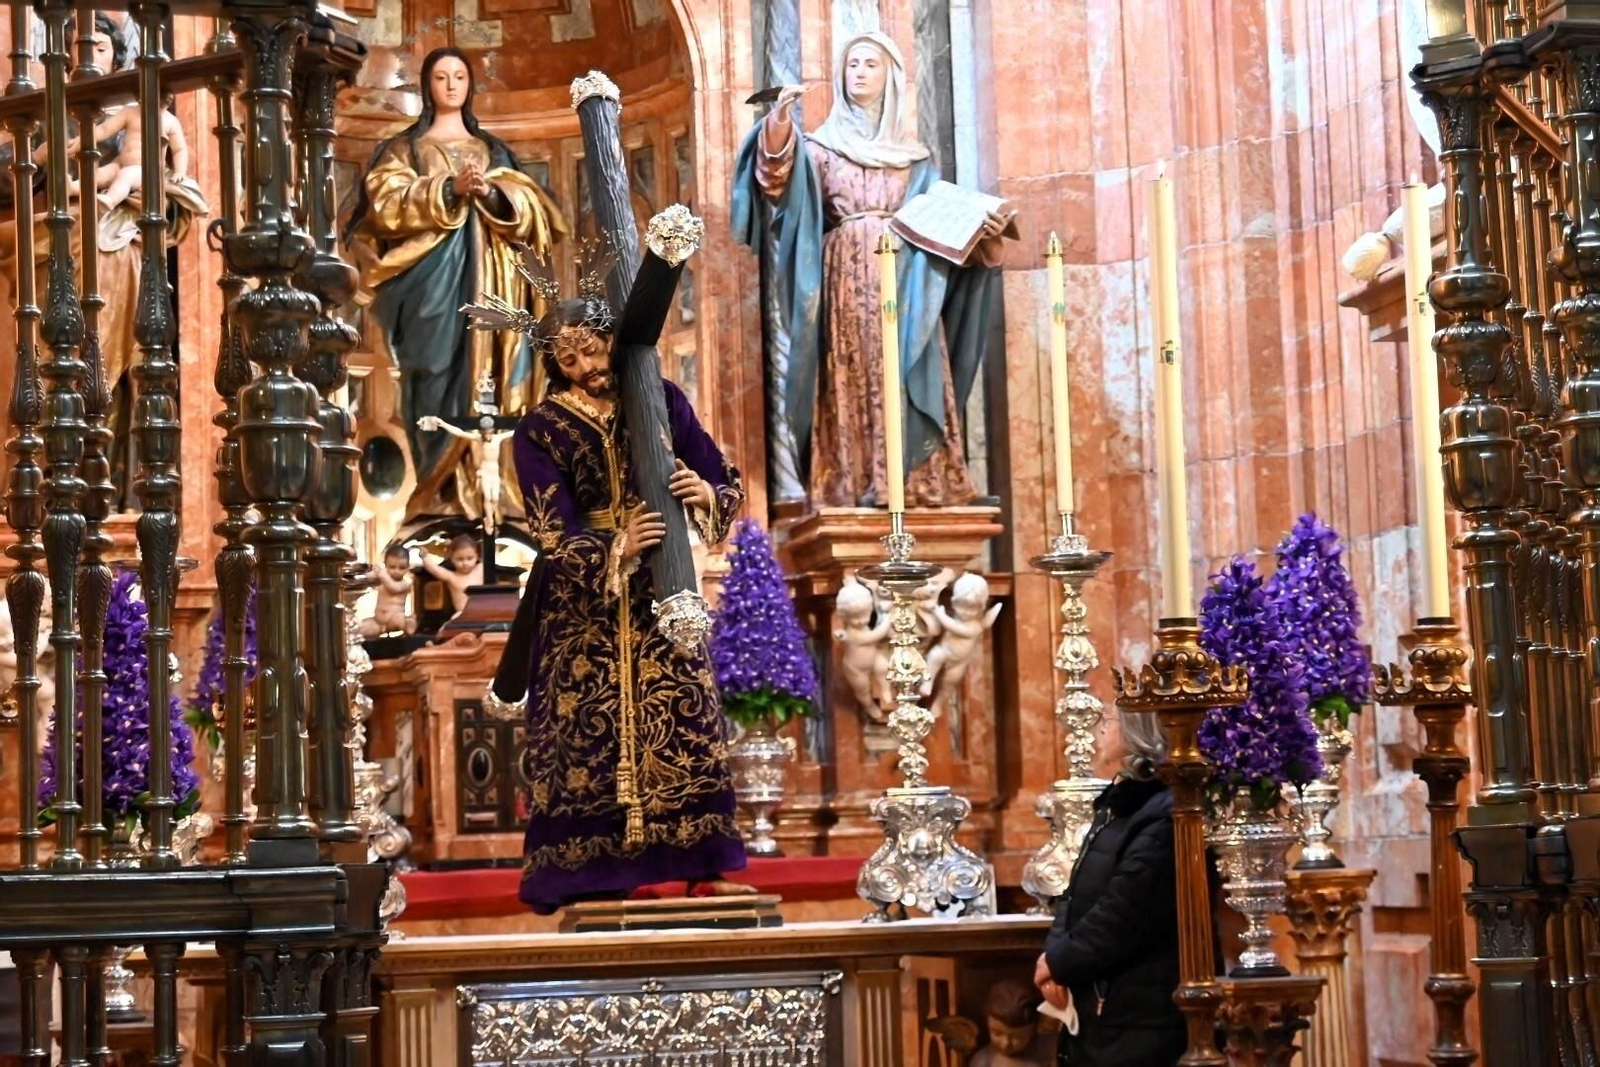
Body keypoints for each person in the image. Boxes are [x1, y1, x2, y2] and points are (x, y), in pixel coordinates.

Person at [503, 294, 751, 914]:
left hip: (662, 586)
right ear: (554, 365)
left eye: (594, 346)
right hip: (581, 605)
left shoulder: (660, 399)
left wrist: (703, 492)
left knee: (687, 717)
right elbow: (551, 528)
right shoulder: (539, 429)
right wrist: (615, 545)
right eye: (570, 356)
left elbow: (720, 475)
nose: (586, 363)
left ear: (614, 340)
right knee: (585, 736)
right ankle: (589, 872)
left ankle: (701, 862)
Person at [733, 31, 1015, 509]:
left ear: (892, 79)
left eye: (870, 65)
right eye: (852, 65)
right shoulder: (820, 147)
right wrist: (779, 120)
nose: (859, 72)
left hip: (910, 282)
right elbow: (776, 184)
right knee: (853, 368)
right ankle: (855, 479)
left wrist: (983, 235)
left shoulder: (916, 159)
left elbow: (939, 228)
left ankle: (919, 483)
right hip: (845, 279)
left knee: (909, 369)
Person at [346, 46, 566, 523]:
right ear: (426, 85)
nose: (450, 85)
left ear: (470, 86)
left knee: (501, 389)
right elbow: (383, 204)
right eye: (441, 76)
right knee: (432, 379)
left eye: (459, 76)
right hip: (430, 289)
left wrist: (492, 192)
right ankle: (437, 494)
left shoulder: (496, 153)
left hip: (495, 290)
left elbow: (536, 216)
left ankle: (499, 499)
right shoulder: (404, 150)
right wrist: (449, 189)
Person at [1034, 709, 1185, 1067]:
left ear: (1138, 733)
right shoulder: (1118, 806)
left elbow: (1125, 910)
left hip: (1139, 1016)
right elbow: (1074, 895)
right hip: (1101, 1008)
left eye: (1111, 722)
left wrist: (1060, 960)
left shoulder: (1165, 810)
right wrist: (1054, 959)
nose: (1102, 729)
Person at [970, 978, 1054, 1067]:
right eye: (997, 1033)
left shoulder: (1045, 1048)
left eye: (1017, 1037)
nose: (1005, 1043)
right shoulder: (983, 1061)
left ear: (1033, 1030)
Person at [419, 533, 482, 618]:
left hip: (482, 612)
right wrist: (425, 557)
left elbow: (489, 553)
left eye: (470, 558)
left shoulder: (479, 570)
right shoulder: (452, 577)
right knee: (454, 619)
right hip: (462, 614)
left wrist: (491, 532)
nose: (465, 563)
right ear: (452, 558)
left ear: (477, 556)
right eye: (460, 559)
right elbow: (435, 570)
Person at [360, 543, 416, 638]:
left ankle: (409, 626)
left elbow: (394, 588)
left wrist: (382, 574)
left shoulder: (404, 584)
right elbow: (368, 578)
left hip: (394, 620)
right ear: (385, 565)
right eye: (392, 567)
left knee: (402, 620)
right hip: (377, 621)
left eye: (401, 568)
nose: (396, 571)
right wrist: (373, 572)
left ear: (408, 568)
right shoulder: (383, 579)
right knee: (361, 627)